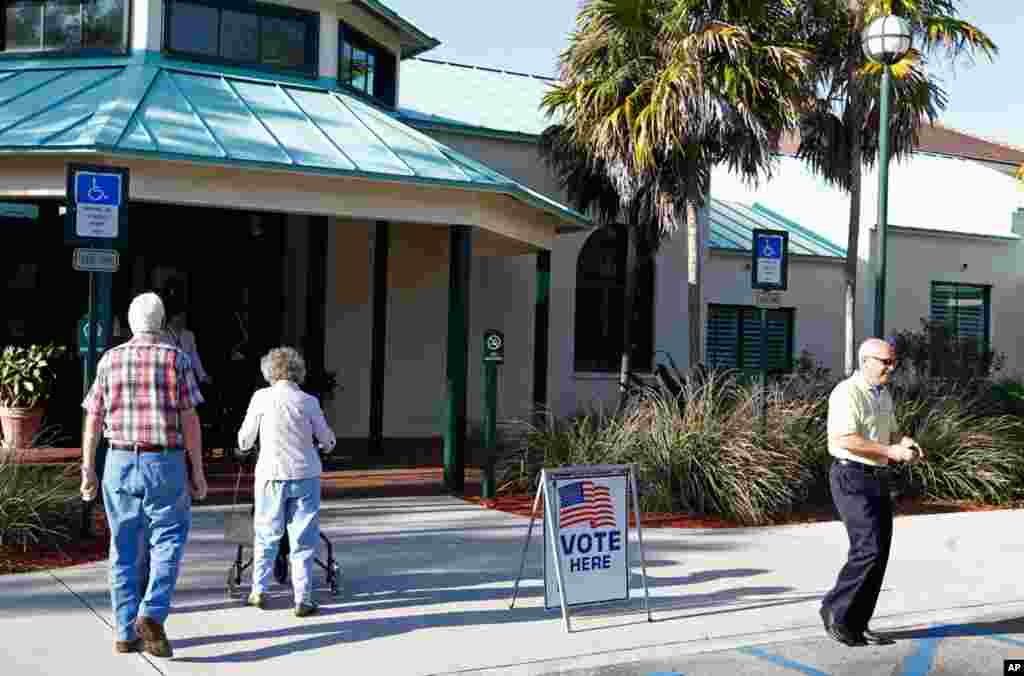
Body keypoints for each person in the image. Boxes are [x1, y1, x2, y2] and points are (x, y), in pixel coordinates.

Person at [80, 292, 208, 658]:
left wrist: (88, 467)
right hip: (163, 462)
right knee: (167, 540)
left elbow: (92, 417)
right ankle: (152, 612)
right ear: (162, 321)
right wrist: (197, 469)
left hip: (118, 461)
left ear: (131, 322)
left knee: (123, 546)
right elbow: (189, 418)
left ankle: (124, 631)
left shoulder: (109, 360)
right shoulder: (176, 359)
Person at [819, 337, 925, 647]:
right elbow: (846, 438)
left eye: (893, 362)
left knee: (879, 554)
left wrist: (904, 442)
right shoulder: (846, 393)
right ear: (866, 361)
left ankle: (858, 622)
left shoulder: (882, 394)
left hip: (877, 477)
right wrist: (890, 451)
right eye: (885, 362)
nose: (891, 368)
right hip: (850, 475)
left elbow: (890, 430)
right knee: (868, 549)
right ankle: (835, 612)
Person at [237, 347, 336, 617]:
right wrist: (327, 445)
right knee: (303, 538)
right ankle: (303, 598)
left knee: (266, 534)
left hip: (270, 474)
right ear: (298, 372)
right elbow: (326, 439)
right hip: (305, 474)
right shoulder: (309, 401)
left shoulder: (261, 398)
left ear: (269, 372)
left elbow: (244, 439)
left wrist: (248, 445)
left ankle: (258, 590)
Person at [165, 301, 211, 384]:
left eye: (184, 316)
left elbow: (194, 356)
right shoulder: (162, 336)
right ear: (172, 317)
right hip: (169, 380)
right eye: (179, 316)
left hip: (187, 379)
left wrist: (202, 375)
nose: (182, 319)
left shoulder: (189, 335)